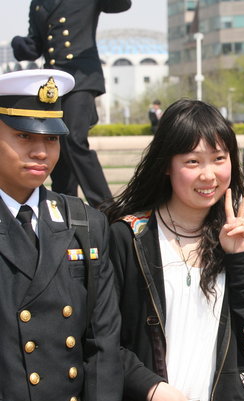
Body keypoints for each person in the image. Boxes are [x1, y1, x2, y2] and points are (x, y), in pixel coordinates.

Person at [103, 99, 244, 401]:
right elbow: (103, 339)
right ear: (166, 165)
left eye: (219, 159)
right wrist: (151, 387)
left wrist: (239, 260)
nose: (208, 175)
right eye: (192, 162)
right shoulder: (128, 237)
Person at [0, 69, 122, 401]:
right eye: (24, 136)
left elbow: (103, 341)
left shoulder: (85, 222)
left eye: (51, 139)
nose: (41, 152)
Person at [11, 0, 132, 207]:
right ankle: (65, 209)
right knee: (55, 141)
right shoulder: (38, 3)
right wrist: (19, 44)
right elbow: (36, 46)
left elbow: (121, 4)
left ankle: (106, 207)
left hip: (81, 76)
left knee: (74, 139)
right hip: (53, 83)